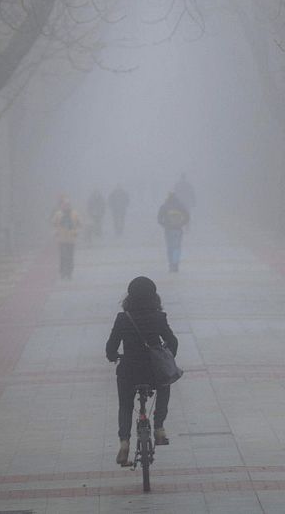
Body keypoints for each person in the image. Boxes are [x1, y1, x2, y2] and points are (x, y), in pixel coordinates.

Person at [105, 275, 179, 465]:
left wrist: (113, 356)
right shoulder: (159, 317)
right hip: (154, 372)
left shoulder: (123, 319)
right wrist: (167, 355)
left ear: (129, 297)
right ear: (154, 296)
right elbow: (173, 342)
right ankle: (159, 428)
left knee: (125, 405)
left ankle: (124, 443)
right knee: (165, 385)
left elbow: (110, 348)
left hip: (129, 372)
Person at [157, 191, 190, 273]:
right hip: (178, 230)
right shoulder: (180, 206)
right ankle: (176, 263)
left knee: (170, 247)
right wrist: (181, 224)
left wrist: (165, 225)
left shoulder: (165, 206)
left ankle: (171, 264)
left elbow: (159, 219)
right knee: (177, 248)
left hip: (168, 230)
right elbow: (187, 217)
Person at [52, 195, 82, 278]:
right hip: (61, 239)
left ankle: (69, 273)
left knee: (70, 256)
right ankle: (62, 272)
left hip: (71, 239)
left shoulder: (75, 214)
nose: (66, 206)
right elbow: (53, 224)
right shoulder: (58, 214)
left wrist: (76, 232)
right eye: (64, 204)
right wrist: (55, 231)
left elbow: (79, 224)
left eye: (68, 204)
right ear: (62, 205)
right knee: (62, 256)